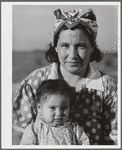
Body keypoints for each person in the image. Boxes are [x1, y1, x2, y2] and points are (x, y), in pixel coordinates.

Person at [12, 8, 117, 145]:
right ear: (55, 46)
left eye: (81, 46)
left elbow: (114, 140)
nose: (72, 55)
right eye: (65, 45)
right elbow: (17, 136)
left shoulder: (106, 87)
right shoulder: (33, 82)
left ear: (92, 47)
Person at [20, 79, 90, 145]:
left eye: (64, 108)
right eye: (52, 108)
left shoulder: (75, 130)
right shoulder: (34, 130)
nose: (59, 113)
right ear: (39, 108)